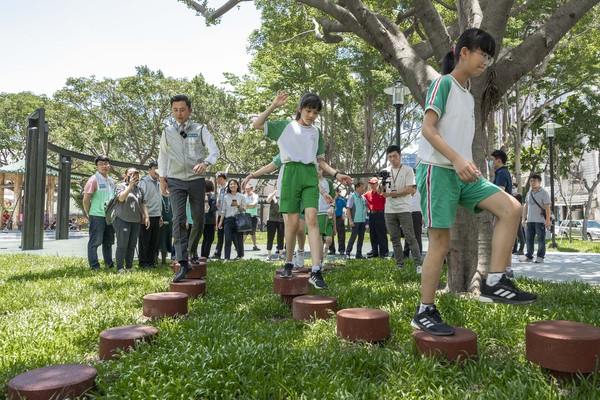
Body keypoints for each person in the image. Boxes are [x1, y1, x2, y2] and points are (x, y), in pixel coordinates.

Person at [411, 28, 537, 336]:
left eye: (490, 56)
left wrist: (468, 164)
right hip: (436, 171)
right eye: (483, 53)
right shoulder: (443, 84)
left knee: (511, 207)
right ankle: (424, 311)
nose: (487, 61)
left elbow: (460, 138)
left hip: (463, 174)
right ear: (463, 52)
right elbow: (428, 129)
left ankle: (495, 281)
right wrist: (456, 159)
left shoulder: (468, 96)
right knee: (440, 243)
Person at [252, 91, 351, 290]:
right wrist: (273, 105)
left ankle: (315, 270)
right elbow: (257, 124)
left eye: (315, 112)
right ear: (300, 109)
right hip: (290, 173)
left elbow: (320, 160)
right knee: (293, 223)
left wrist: (336, 173)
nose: (312, 115)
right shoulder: (286, 127)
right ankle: (288, 262)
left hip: (309, 173)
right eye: (308, 110)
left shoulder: (316, 133)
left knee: (312, 220)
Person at [157, 95, 220, 282]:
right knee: (178, 220)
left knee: (199, 221)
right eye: (175, 110)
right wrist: (162, 178)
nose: (179, 113)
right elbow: (163, 156)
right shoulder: (167, 132)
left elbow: (215, 151)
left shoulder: (200, 129)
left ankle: (192, 250)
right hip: (175, 180)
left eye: (182, 110)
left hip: (196, 180)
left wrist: (206, 163)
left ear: (190, 110)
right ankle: (182, 262)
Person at [379, 145, 422, 270]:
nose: (392, 159)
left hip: (404, 208)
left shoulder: (408, 170)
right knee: (394, 238)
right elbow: (379, 191)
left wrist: (392, 194)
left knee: (410, 237)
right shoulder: (385, 171)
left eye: (395, 156)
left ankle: (418, 264)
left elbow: (409, 189)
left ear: (400, 155)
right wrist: (381, 187)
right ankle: (399, 264)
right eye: (390, 157)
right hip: (389, 210)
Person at [82, 155, 115, 270]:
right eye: (101, 164)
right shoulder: (93, 180)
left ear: (109, 165)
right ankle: (94, 266)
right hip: (97, 215)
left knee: (108, 242)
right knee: (95, 242)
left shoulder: (111, 181)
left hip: (109, 217)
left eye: (106, 163)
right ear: (97, 166)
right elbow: (86, 200)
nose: (104, 166)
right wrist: (89, 213)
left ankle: (109, 264)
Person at [114, 168, 149, 273]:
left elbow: (143, 203)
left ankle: (129, 266)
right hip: (122, 219)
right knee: (122, 244)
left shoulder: (139, 189)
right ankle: (120, 267)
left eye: (137, 173)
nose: (134, 175)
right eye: (131, 173)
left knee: (132, 244)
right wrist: (130, 186)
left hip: (136, 220)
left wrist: (146, 216)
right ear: (125, 175)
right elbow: (121, 199)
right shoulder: (120, 186)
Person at [520, 174, 551, 264]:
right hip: (530, 220)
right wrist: (523, 219)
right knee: (529, 239)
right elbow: (526, 206)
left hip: (540, 220)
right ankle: (529, 256)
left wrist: (548, 220)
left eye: (534, 181)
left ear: (539, 182)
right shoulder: (529, 193)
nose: (532, 183)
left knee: (541, 239)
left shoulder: (544, 193)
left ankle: (540, 257)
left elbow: (547, 207)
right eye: (531, 181)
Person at [138, 161, 162, 268]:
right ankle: (143, 262)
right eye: (155, 168)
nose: (157, 171)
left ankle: (151, 262)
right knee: (144, 241)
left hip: (156, 216)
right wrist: (143, 215)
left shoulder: (158, 183)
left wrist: (160, 216)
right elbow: (141, 200)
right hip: (146, 216)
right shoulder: (144, 182)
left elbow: (159, 201)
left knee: (153, 241)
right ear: (149, 169)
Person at [218, 179, 246, 261]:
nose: (232, 185)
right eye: (230, 184)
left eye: (234, 184)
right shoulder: (226, 197)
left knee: (239, 239)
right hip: (228, 220)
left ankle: (240, 256)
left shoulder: (241, 196)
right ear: (229, 186)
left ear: (237, 186)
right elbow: (223, 210)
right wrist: (220, 222)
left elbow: (244, 209)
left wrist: (237, 205)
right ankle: (227, 257)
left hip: (238, 219)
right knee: (228, 238)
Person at [364, 177, 388, 258]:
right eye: (371, 183)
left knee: (381, 234)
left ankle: (383, 252)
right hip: (371, 215)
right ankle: (375, 252)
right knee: (372, 234)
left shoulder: (382, 194)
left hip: (379, 214)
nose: (372, 185)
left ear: (377, 184)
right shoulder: (368, 194)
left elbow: (386, 203)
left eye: (373, 183)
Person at [345, 182, 367, 259]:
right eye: (362, 187)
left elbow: (365, 208)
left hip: (362, 221)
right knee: (353, 237)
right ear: (357, 188)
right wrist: (350, 221)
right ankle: (347, 252)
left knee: (361, 238)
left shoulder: (363, 198)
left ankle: (359, 253)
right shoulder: (352, 196)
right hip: (355, 221)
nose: (363, 189)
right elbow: (348, 209)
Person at [403, 184, 424, 262]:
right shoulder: (407, 196)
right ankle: (406, 253)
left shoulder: (419, 195)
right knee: (407, 234)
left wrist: (423, 218)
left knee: (417, 235)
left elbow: (423, 206)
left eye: (410, 187)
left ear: (414, 188)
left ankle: (418, 253)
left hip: (417, 215)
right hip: (408, 214)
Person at [265, 188, 284, 261]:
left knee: (281, 237)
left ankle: (280, 254)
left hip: (281, 219)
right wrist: (274, 193)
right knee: (270, 237)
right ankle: (269, 254)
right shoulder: (271, 195)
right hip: (271, 219)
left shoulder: (283, 194)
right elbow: (268, 200)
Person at [212, 172, 227, 259]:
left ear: (221, 178)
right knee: (220, 234)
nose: (217, 180)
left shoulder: (228, 187)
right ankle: (218, 253)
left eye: (217, 178)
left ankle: (239, 252)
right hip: (220, 213)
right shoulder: (220, 188)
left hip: (227, 215)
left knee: (230, 235)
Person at [201, 180, 217, 258]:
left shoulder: (201, 196)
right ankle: (206, 255)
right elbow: (213, 208)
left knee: (205, 238)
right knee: (210, 238)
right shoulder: (212, 197)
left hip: (202, 219)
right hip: (210, 220)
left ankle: (202, 255)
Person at [329, 188, 347, 255]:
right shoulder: (329, 200)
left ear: (338, 192)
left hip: (339, 219)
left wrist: (345, 216)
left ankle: (341, 250)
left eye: (336, 192)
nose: (334, 194)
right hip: (331, 219)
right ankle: (332, 250)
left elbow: (348, 207)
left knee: (341, 235)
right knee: (330, 234)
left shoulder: (341, 200)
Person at [243, 183, 260, 251]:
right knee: (244, 232)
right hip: (245, 216)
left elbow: (254, 204)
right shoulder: (243, 196)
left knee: (253, 232)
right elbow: (243, 205)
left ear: (252, 189)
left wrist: (247, 205)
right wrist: (249, 205)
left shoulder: (255, 196)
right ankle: (241, 246)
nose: (247, 190)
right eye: (246, 189)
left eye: (248, 189)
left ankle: (255, 246)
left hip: (253, 216)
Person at [157, 194, 173, 264]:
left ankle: (164, 260)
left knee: (167, 239)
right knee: (158, 239)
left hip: (169, 221)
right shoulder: (158, 196)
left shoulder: (171, 197)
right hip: (160, 221)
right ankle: (155, 258)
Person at [512, 183, 525, 256]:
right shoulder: (510, 196)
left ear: (517, 188)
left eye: (514, 187)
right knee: (513, 233)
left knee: (519, 232)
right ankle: (514, 249)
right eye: (512, 187)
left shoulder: (519, 196)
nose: (513, 189)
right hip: (511, 216)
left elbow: (519, 206)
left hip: (518, 216)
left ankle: (521, 249)